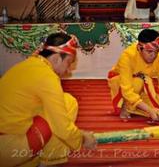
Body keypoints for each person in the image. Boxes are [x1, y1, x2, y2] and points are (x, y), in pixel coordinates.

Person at [0, 33, 97, 167]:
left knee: (52, 104)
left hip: (7, 142)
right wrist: (82, 139)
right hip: (9, 149)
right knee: (68, 103)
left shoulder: (29, 64)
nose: (68, 70)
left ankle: (33, 159)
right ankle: (51, 160)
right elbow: (61, 126)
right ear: (57, 58)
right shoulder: (47, 77)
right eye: (68, 63)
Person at [108, 29, 159, 121]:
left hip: (144, 84)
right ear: (139, 48)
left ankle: (135, 106)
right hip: (120, 83)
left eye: (156, 51)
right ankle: (125, 106)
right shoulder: (127, 56)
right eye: (149, 52)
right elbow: (127, 90)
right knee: (139, 82)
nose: (153, 55)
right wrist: (149, 110)